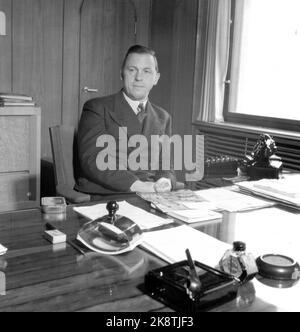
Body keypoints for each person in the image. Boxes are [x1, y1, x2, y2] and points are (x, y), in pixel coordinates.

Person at [75, 45, 177, 196]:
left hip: (151, 195)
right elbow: (93, 160)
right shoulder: (97, 108)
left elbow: (166, 165)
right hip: (108, 195)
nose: (139, 77)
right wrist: (139, 186)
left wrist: (165, 181)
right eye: (132, 70)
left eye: (146, 71)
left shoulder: (163, 117)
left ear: (156, 78)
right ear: (122, 74)